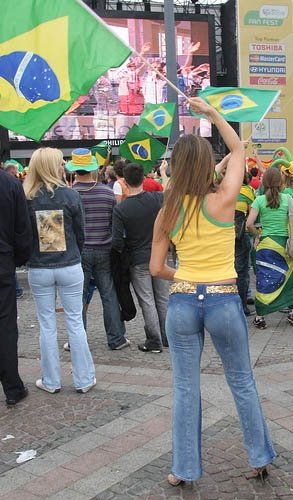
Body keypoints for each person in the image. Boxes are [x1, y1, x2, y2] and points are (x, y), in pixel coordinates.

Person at [149, 97, 276, 486]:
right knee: (241, 380)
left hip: (183, 302)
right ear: (207, 165)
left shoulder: (168, 209)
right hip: (223, 298)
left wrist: (186, 275)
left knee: (186, 388)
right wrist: (211, 114)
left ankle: (183, 469)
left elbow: (156, 268)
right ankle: (258, 458)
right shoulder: (223, 202)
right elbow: (238, 148)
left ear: (173, 168)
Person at [23, 147, 96, 394]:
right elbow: (81, 233)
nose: (63, 165)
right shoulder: (71, 195)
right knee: (75, 322)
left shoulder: (27, 197)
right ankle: (84, 379)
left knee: (47, 325)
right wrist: (75, 251)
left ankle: (51, 381)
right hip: (70, 265)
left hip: (39, 267)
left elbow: (23, 236)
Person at [66, 148, 129, 350]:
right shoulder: (107, 192)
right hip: (104, 248)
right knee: (109, 295)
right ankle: (116, 338)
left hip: (79, 251)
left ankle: (77, 340)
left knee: (78, 296)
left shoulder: (69, 194)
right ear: (92, 168)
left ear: (75, 170)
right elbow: (115, 223)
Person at [112, 162, 169, 353]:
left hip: (138, 258)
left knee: (147, 300)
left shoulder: (121, 209)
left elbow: (117, 241)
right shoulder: (157, 199)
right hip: (160, 256)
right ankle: (167, 336)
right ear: (144, 178)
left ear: (125, 182)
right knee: (163, 298)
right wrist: (163, 172)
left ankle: (154, 340)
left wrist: (126, 251)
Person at [0, 168, 32, 406]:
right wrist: (18, 257)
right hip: (2, 262)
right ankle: (12, 387)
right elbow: (23, 229)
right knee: (5, 326)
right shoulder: (10, 184)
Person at [246, 167, 293, 329]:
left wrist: (257, 235)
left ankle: (260, 317)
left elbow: (249, 224)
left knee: (263, 278)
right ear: (281, 182)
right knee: (288, 277)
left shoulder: (259, 200)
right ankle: (291, 312)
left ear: (264, 182)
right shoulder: (288, 198)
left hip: (265, 244)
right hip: (284, 244)